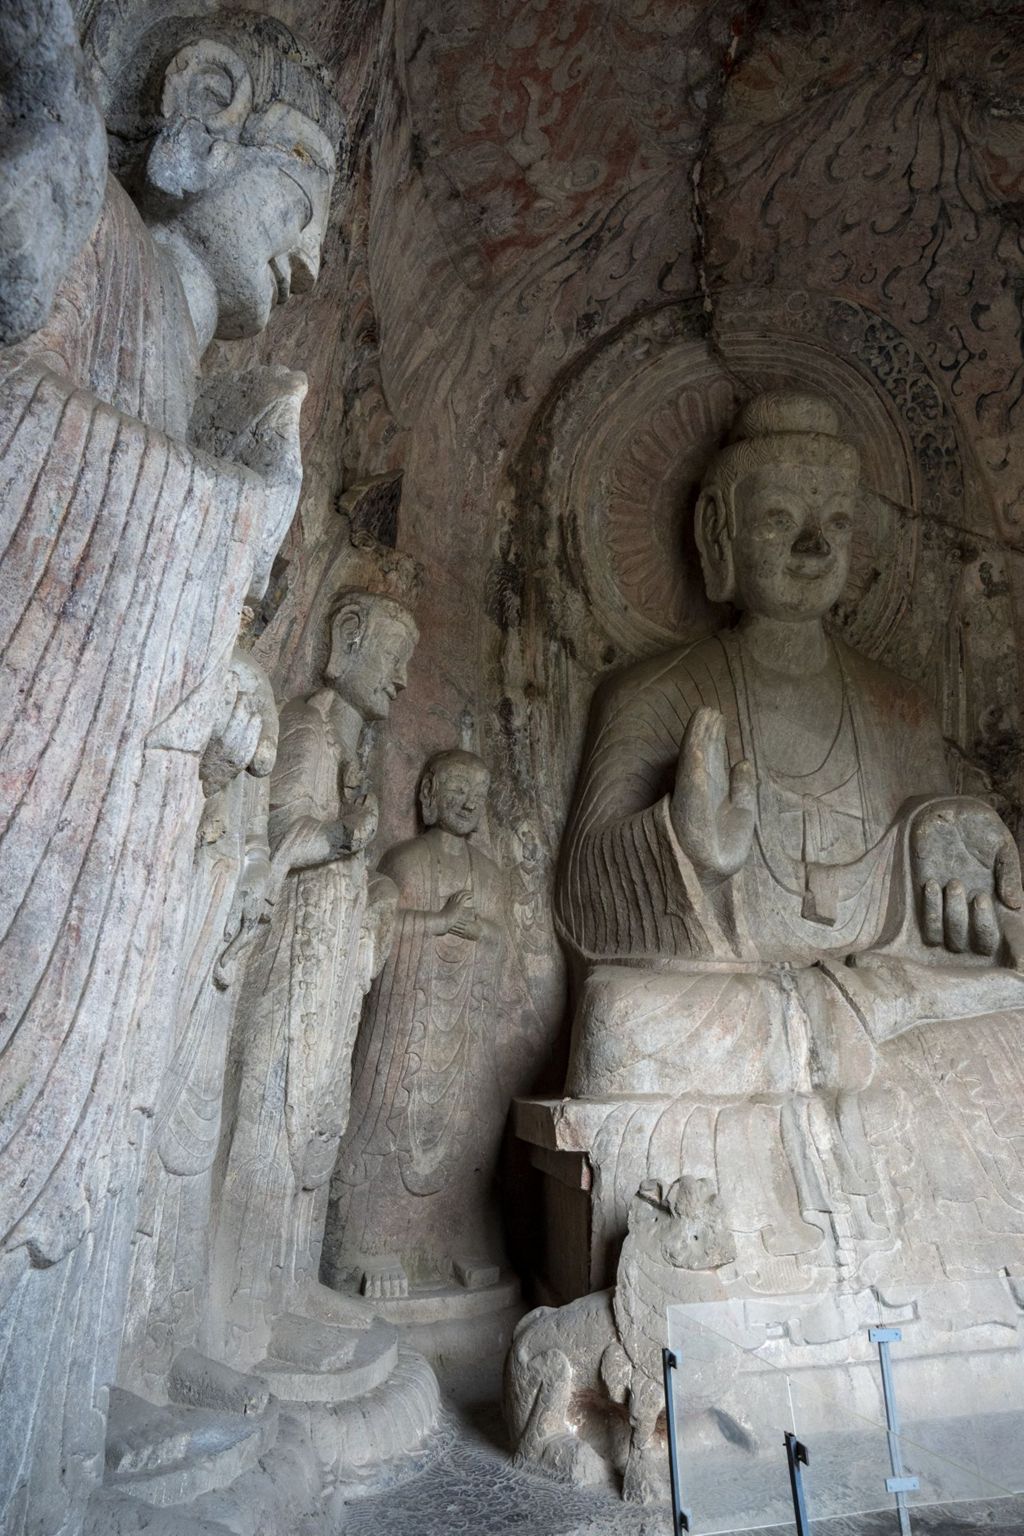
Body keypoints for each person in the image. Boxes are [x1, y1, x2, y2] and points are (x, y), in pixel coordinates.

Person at [0, 4, 341, 1527]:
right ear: (199, 115)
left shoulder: (196, 349)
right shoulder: (95, 250)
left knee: (97, 1147)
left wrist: (234, 589)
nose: (315, 258)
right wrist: (220, 521)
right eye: (299, 198)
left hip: (123, 819)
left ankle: (60, 1429)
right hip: (38, 793)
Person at [556, 392, 1024, 1100]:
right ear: (720, 533)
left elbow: (953, 926)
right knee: (622, 1024)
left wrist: (953, 845)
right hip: (739, 1004)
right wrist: (685, 855)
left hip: (882, 994)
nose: (814, 546)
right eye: (780, 519)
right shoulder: (654, 694)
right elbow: (582, 905)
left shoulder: (901, 707)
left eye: (836, 521)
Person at [326, 750, 507, 1297]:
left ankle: (452, 1244)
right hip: (406, 1027)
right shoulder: (405, 861)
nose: (467, 799)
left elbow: (502, 944)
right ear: (429, 793)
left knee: (465, 1131)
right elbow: (380, 927)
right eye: (455, 786)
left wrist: (477, 935)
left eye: (478, 789)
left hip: (463, 1034)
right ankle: (369, 1247)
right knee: (386, 1117)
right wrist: (440, 921)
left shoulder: (493, 879)